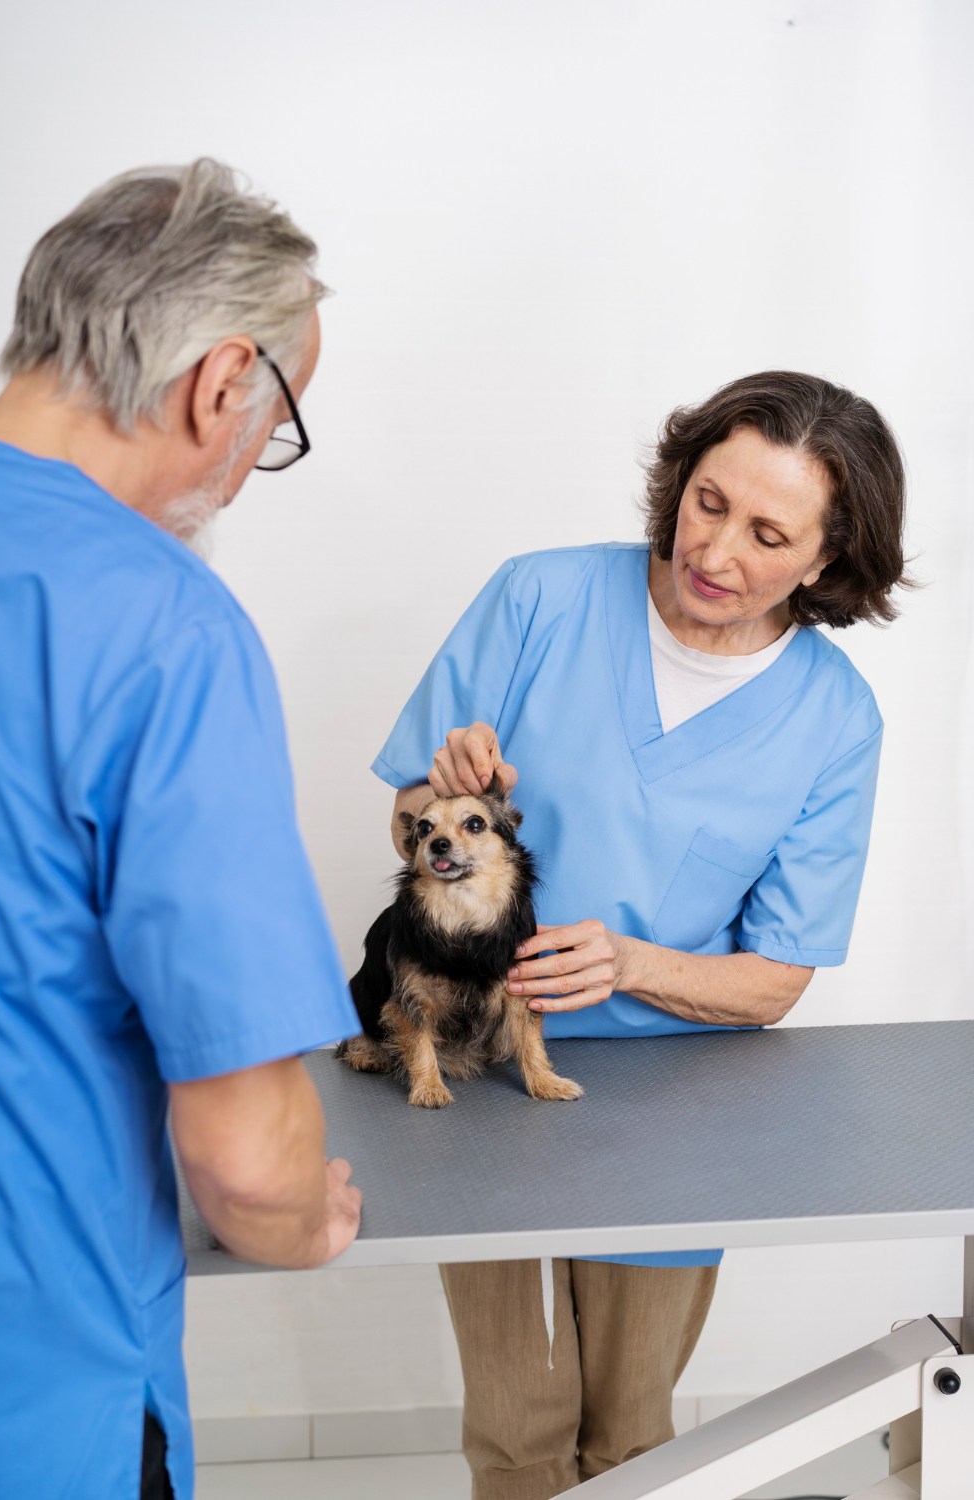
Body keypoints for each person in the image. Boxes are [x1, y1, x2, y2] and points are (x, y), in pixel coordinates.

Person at [373, 371, 908, 1499]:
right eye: (707, 503)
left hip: (674, 1108)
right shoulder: (538, 598)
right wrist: (438, 787)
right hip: (483, 1076)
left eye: (769, 534)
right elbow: (408, 816)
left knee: (635, 1445)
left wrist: (633, 966)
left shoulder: (833, 719)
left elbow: (775, 981)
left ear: (823, 561)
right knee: (517, 1437)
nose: (714, 551)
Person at [0, 160, 363, 1500]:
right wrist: (309, 1221)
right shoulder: (161, 630)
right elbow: (248, 1167)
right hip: (32, 1408)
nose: (250, 471)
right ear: (219, 384)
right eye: (275, 426)